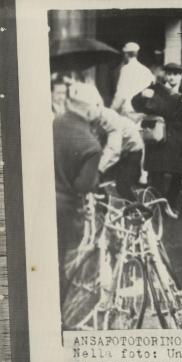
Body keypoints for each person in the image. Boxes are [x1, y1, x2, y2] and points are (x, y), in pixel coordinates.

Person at [53, 83, 103, 302]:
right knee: (59, 261)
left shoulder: (54, 123)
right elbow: (83, 185)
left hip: (36, 200)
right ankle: (58, 318)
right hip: (63, 209)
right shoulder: (91, 144)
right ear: (90, 110)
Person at [132, 62, 182, 217]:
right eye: (169, 74)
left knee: (178, 174)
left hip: (179, 139)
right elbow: (135, 104)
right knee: (156, 173)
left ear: (181, 76)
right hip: (158, 137)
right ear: (165, 75)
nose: (172, 77)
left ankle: (171, 203)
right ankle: (157, 206)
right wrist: (142, 96)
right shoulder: (155, 89)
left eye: (175, 74)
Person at [91, 106, 145, 200]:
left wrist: (99, 170)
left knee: (122, 186)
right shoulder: (91, 119)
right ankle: (104, 211)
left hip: (132, 151)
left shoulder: (111, 119)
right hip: (119, 149)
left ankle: (137, 210)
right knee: (98, 182)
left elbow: (114, 150)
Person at [110, 42, 155, 121]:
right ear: (136, 54)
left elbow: (121, 94)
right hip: (143, 115)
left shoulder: (126, 69)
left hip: (129, 114)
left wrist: (111, 112)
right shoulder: (147, 71)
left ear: (126, 55)